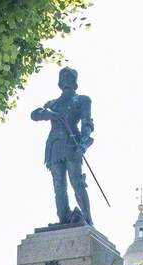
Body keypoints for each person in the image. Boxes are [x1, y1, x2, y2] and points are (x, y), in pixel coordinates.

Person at [31, 66, 94, 225]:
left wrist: (84, 143)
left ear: (75, 81)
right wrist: (50, 114)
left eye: (70, 76)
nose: (66, 79)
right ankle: (64, 218)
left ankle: (87, 219)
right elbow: (35, 114)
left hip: (72, 144)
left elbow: (87, 124)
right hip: (54, 146)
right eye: (63, 76)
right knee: (58, 185)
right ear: (59, 81)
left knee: (77, 182)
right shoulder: (52, 103)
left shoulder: (82, 100)